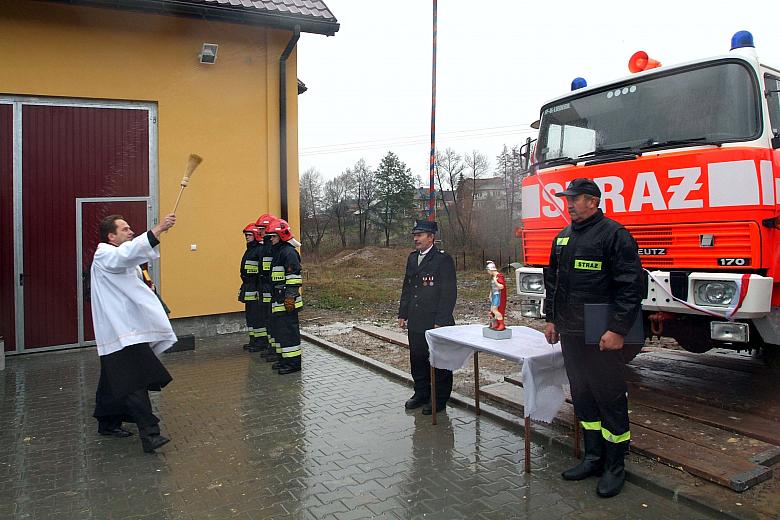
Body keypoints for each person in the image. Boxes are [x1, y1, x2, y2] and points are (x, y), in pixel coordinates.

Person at [542, 178, 645, 498]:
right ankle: (593, 457)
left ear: (593, 201)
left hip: (602, 334)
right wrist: (551, 320)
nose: (569, 204)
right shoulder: (562, 238)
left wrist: (617, 330)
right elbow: (553, 284)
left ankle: (615, 466)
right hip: (571, 333)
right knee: (583, 396)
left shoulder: (615, 235)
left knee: (609, 398)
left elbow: (631, 288)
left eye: (575, 199)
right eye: (567, 199)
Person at [91, 213, 178, 454]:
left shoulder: (118, 258)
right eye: (125, 229)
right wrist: (157, 230)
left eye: (131, 228)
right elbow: (126, 255)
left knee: (113, 378)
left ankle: (107, 422)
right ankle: (150, 434)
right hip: (120, 332)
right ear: (111, 236)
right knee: (132, 382)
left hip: (126, 331)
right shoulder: (105, 254)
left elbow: (131, 262)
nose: (130, 232)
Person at [398, 220, 457, 415]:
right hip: (416, 320)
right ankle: (421, 393)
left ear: (431, 237)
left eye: (420, 235)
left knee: (439, 361)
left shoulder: (442, 259)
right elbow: (407, 288)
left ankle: (439, 399)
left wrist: (441, 320)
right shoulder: (413, 258)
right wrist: (403, 314)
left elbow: (449, 293)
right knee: (418, 358)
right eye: (415, 235)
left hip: (436, 321)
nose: (416, 239)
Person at [266, 219, 304, 375]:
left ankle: (293, 364)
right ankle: (284, 360)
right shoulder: (279, 253)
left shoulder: (288, 253)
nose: (271, 240)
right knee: (281, 332)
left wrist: (290, 297)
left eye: (273, 237)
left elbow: (294, 277)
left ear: (281, 236)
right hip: (278, 299)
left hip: (287, 300)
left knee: (288, 332)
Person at [238, 222, 263, 352]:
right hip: (248, 287)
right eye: (246, 235)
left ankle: (260, 342)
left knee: (257, 316)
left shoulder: (258, 250)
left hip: (255, 288)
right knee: (250, 315)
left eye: (249, 235)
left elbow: (260, 272)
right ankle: (253, 340)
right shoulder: (250, 249)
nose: (246, 237)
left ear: (256, 235)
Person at [486, 261, 507, 331]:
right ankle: (495, 323)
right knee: (492, 310)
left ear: (491, 269)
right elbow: (493, 287)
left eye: (488, 270)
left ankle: (501, 324)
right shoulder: (494, 276)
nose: (488, 272)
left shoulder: (498, 276)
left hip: (498, 295)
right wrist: (490, 294)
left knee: (495, 310)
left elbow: (501, 286)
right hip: (494, 295)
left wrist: (495, 281)